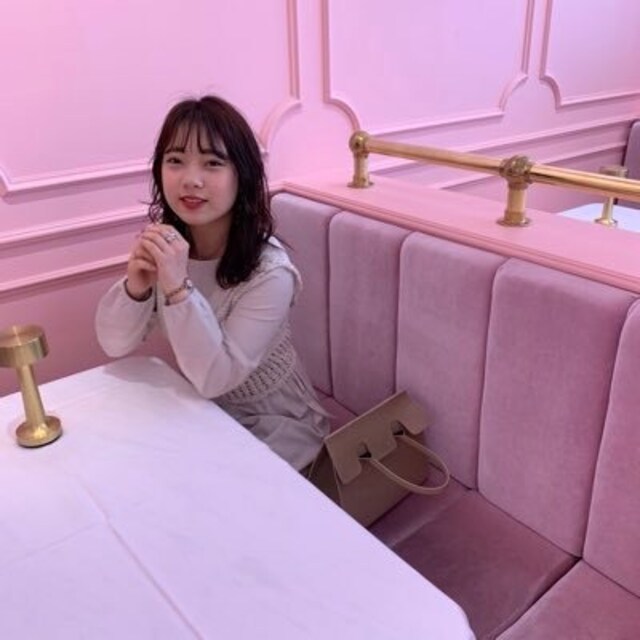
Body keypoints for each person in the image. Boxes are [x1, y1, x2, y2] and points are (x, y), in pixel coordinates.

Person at [95, 95, 329, 471]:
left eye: (213, 163)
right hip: (203, 410)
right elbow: (115, 343)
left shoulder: (271, 273)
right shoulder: (171, 246)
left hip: (275, 423)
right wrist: (135, 288)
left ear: (243, 175)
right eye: (175, 160)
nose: (191, 179)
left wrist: (177, 289)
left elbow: (216, 378)